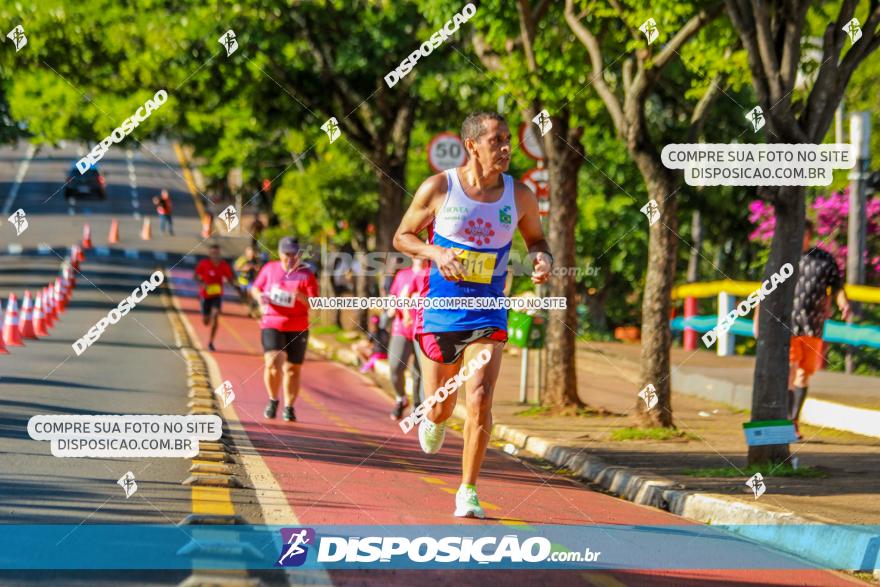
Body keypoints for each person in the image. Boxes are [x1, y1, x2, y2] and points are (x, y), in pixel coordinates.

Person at [392, 111, 552, 518]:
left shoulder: (520, 196)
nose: (504, 148)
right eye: (495, 140)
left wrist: (541, 260)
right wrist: (436, 252)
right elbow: (402, 236)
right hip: (441, 311)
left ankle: (467, 490)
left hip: (489, 310)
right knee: (441, 406)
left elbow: (537, 240)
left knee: (480, 394)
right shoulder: (439, 188)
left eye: (507, 141)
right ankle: (435, 415)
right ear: (472, 146)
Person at [756, 220, 850, 440]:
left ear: (809, 235)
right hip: (786, 324)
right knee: (790, 368)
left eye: (804, 235)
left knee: (803, 375)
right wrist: (758, 319)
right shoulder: (783, 259)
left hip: (813, 325)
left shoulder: (825, 260)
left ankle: (794, 420)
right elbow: (765, 290)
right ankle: (787, 422)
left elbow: (837, 288)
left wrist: (843, 303)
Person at [251, 237, 318, 422]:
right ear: (279, 254)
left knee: (293, 369)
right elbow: (255, 288)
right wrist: (260, 298)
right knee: (273, 361)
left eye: (294, 254)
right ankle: (273, 399)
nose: (290, 258)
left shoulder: (306, 274)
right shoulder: (270, 269)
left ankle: (289, 406)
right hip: (272, 322)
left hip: (298, 326)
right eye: (286, 254)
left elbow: (315, 302)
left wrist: (301, 297)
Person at [386, 257, 428, 420]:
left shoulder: (431, 275)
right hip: (401, 327)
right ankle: (400, 398)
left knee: (420, 370)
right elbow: (393, 296)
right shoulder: (403, 275)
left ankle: (418, 406)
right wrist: (390, 307)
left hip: (423, 328)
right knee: (395, 366)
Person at [193, 244, 235, 351]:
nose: (215, 256)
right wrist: (202, 283)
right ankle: (206, 316)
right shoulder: (204, 264)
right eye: (213, 254)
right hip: (205, 295)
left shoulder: (223, 265)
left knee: (215, 315)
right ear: (210, 254)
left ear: (219, 254)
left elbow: (230, 278)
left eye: (217, 253)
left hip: (217, 295)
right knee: (206, 321)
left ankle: (211, 342)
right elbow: (195, 276)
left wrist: (231, 283)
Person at [234, 245, 263, 318]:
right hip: (242, 281)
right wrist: (245, 268)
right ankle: (249, 306)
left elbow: (259, 268)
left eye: (253, 252)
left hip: (251, 280)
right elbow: (236, 268)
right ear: (246, 252)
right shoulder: (243, 259)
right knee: (245, 297)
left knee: (250, 294)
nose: (251, 253)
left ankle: (251, 310)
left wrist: (257, 269)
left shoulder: (255, 260)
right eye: (250, 252)